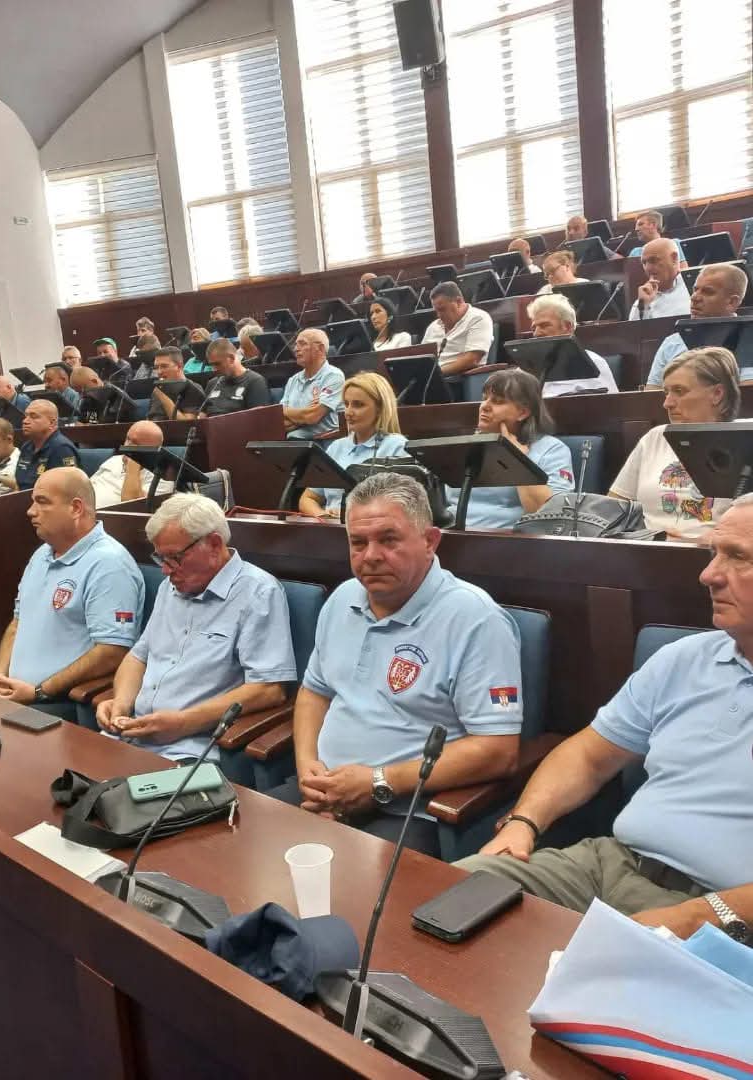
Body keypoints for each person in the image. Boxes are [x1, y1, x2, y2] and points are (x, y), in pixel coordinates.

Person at [456, 496, 753, 936]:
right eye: (713, 553)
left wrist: (699, 915)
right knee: (448, 898)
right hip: (608, 864)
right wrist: (523, 823)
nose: (708, 574)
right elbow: (588, 756)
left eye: (738, 557)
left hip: (721, 911)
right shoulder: (683, 659)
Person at [269, 473, 523, 854]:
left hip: (408, 811)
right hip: (323, 792)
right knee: (242, 853)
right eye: (358, 542)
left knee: (352, 886)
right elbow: (314, 693)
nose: (371, 556)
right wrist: (308, 769)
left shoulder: (476, 619)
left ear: (430, 541)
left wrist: (378, 782)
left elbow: (498, 750)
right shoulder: (342, 599)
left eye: (388, 540)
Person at [97, 494, 295, 760]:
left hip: (188, 748)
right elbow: (138, 657)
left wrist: (183, 723)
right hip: (131, 734)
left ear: (214, 544)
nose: (166, 570)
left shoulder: (258, 592)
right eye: (161, 558)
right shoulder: (170, 587)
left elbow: (269, 689)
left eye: (174, 557)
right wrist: (120, 704)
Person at [0, 468, 144, 714]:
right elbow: (18, 623)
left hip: (59, 703)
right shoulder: (42, 554)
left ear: (76, 508)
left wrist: (39, 691)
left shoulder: (109, 564)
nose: (30, 511)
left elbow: (112, 651)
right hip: (17, 695)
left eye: (42, 502)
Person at [609, 347, 739, 541]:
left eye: (679, 391)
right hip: (643, 550)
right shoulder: (656, 437)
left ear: (717, 394)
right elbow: (614, 506)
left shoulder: (744, 441)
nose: (667, 403)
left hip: (713, 554)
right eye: (666, 392)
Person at [447, 370, 574, 529]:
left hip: (508, 538)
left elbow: (549, 513)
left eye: (498, 401)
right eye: (484, 399)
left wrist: (517, 458)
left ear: (523, 412)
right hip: (451, 533)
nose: (484, 406)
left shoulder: (552, 449)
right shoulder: (467, 444)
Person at [298, 373, 408, 520]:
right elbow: (307, 499)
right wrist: (324, 516)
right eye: (346, 404)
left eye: (358, 405)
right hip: (330, 528)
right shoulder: (336, 447)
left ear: (380, 409)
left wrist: (349, 517)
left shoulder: (397, 446)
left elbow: (403, 506)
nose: (348, 412)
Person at [645, 263, 750, 386]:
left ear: (732, 302)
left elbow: (748, 393)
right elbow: (652, 392)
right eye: (695, 289)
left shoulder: (748, 340)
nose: (694, 297)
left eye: (708, 292)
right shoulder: (672, 343)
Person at [526, 294, 619, 397]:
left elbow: (611, 403)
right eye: (534, 329)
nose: (536, 333)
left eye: (544, 325)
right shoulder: (526, 368)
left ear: (568, 327)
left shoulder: (594, 363)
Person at [282, 328, 345, 440]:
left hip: (324, 441)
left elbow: (312, 416)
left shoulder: (334, 376)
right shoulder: (293, 380)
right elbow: (282, 421)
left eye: (302, 344)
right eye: (295, 345)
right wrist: (304, 415)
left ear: (320, 349)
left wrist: (286, 411)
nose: (296, 349)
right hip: (294, 440)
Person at [88, 420, 168, 507]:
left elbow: (133, 506)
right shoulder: (114, 460)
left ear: (154, 451)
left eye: (136, 444)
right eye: (128, 439)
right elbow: (87, 487)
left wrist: (133, 464)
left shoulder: (162, 477)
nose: (127, 445)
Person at [422, 282, 495, 375]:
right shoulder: (433, 326)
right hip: (430, 377)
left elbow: (472, 360)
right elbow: (422, 358)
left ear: (459, 302)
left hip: (458, 378)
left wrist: (435, 374)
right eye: (436, 311)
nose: (439, 315)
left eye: (442, 309)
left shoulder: (478, 318)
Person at [15, 399, 79, 490]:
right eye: (26, 416)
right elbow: (18, 484)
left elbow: (67, 489)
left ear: (51, 423)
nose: (25, 421)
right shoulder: (27, 446)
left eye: (33, 416)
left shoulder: (61, 449)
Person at [199, 339, 271, 418]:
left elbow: (259, 418)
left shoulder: (255, 381)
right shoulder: (212, 383)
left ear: (231, 358)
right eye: (212, 365)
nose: (214, 369)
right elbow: (202, 415)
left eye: (217, 364)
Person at [629, 238, 691, 321]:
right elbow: (635, 329)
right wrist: (643, 307)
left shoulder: (694, 287)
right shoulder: (644, 298)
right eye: (644, 263)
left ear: (674, 259)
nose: (648, 268)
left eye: (653, 260)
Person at [147, 347, 205, 422]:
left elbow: (187, 423)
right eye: (156, 367)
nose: (159, 372)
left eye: (164, 366)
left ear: (179, 366)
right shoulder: (157, 390)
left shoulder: (193, 388)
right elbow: (151, 418)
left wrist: (162, 396)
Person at [71, 367, 136, 424]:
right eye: (79, 392)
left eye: (83, 391)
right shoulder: (87, 400)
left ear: (95, 381)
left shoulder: (116, 395)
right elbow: (89, 421)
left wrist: (90, 424)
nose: (81, 395)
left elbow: (120, 419)